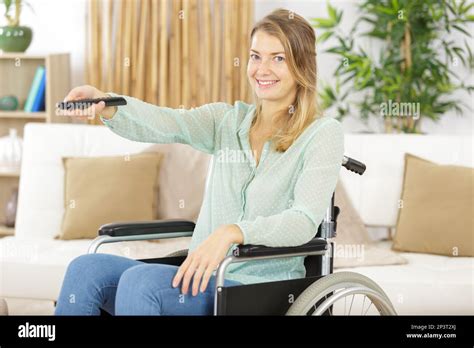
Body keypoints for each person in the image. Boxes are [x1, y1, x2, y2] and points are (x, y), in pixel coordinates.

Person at [55, 8, 344, 316]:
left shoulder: (322, 134)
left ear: (302, 64)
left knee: (141, 284)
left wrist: (233, 231)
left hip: (260, 289)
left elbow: (302, 221)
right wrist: (106, 104)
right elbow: (169, 122)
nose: (262, 69)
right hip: (201, 277)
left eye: (278, 58)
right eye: (255, 56)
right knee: (86, 269)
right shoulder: (227, 120)